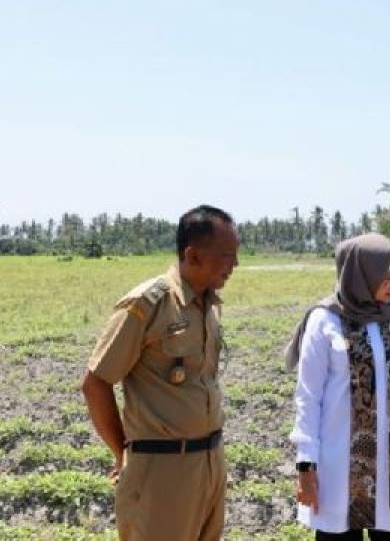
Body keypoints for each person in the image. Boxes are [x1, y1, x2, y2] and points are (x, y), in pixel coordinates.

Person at [81, 204, 239, 540]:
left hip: (209, 465)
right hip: (161, 474)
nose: (235, 264)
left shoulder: (208, 307)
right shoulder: (148, 305)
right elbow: (96, 383)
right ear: (193, 256)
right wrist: (122, 452)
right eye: (227, 255)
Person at [285, 233, 390, 541]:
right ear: (359, 274)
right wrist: (306, 465)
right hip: (338, 473)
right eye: (386, 274)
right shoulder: (325, 320)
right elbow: (308, 398)